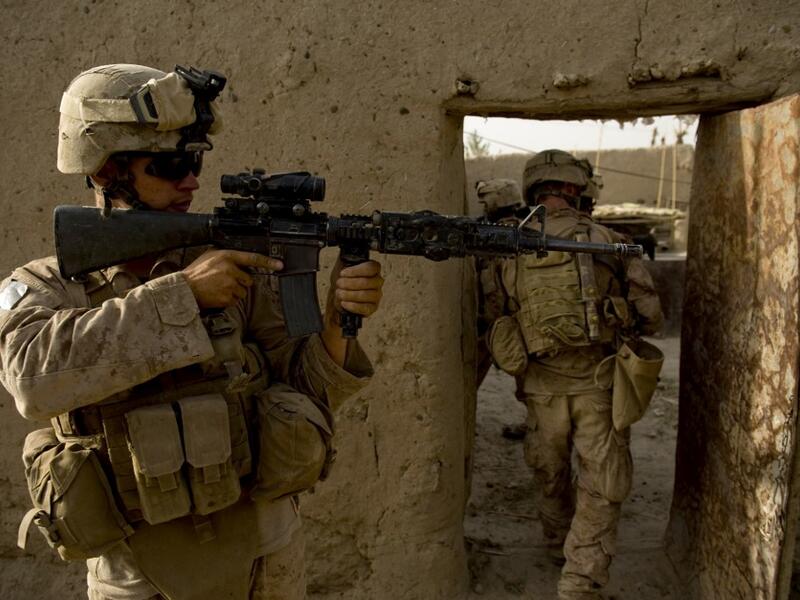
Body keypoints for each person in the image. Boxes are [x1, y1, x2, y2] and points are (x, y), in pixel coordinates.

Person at [0, 64, 384, 600]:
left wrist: (339, 319)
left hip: (264, 552)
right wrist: (182, 297)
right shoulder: (46, 286)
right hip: (137, 572)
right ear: (107, 171)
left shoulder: (232, 266)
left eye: (195, 161)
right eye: (171, 164)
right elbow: (32, 380)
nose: (192, 181)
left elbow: (304, 385)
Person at [485, 149, 663, 599]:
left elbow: (494, 315)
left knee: (549, 471)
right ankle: (580, 581)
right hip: (598, 384)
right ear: (576, 189)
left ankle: (555, 546)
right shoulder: (610, 241)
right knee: (602, 483)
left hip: (540, 387)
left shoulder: (510, 246)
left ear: (534, 189)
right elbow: (653, 316)